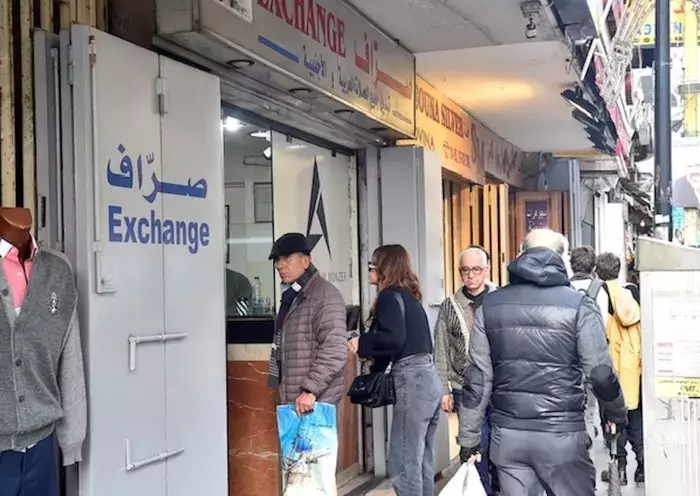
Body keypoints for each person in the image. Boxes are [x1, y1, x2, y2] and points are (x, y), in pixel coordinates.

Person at [458, 229, 628, 496]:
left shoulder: (490, 306)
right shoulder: (579, 305)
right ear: (561, 258)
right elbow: (599, 374)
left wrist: (468, 438)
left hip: (509, 437)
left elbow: (477, 379)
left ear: (521, 254)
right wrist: (616, 412)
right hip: (562, 436)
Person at [348, 245, 441, 496]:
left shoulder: (389, 296)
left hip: (412, 380)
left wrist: (362, 343)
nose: (369, 269)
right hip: (429, 379)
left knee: (403, 461)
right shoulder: (411, 297)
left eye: (372, 264)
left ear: (385, 267)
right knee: (422, 461)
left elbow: (393, 339)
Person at [267, 232, 348, 488]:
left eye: (287, 258)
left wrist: (310, 390)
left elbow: (335, 349)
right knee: (297, 482)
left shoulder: (324, 295)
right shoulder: (292, 297)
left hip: (314, 404)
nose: (281, 265)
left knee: (315, 482)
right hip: (296, 403)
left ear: (306, 260)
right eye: (277, 260)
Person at [434, 246, 498, 494]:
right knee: (473, 448)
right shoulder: (449, 306)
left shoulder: (499, 299)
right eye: (465, 270)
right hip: (465, 388)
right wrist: (444, 390)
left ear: (487, 269)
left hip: (500, 387)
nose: (471, 275)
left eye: (476, 269)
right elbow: (441, 350)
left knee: (500, 450)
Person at [596, 252, 644, 485]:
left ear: (598, 271)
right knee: (635, 416)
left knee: (614, 417)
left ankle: (620, 469)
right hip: (632, 366)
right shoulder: (632, 293)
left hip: (610, 367)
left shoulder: (599, 294)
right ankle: (642, 464)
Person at [569, 245, 610, 447]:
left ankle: (581, 431)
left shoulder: (563, 289)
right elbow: (606, 326)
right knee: (592, 398)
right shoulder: (601, 289)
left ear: (571, 265)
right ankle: (590, 429)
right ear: (593, 266)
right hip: (593, 351)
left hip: (569, 355)